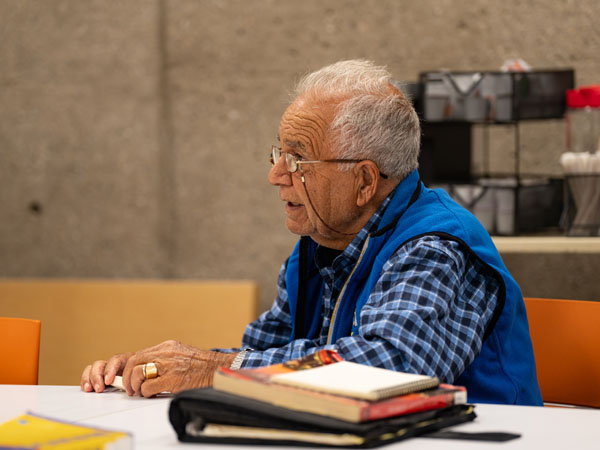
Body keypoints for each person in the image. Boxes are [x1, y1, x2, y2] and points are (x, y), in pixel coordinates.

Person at [81, 60, 542, 405]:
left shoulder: (437, 248)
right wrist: (161, 368)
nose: (276, 176)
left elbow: (387, 369)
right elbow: (266, 355)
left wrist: (212, 369)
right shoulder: (320, 247)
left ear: (364, 181)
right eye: (278, 155)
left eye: (297, 160)